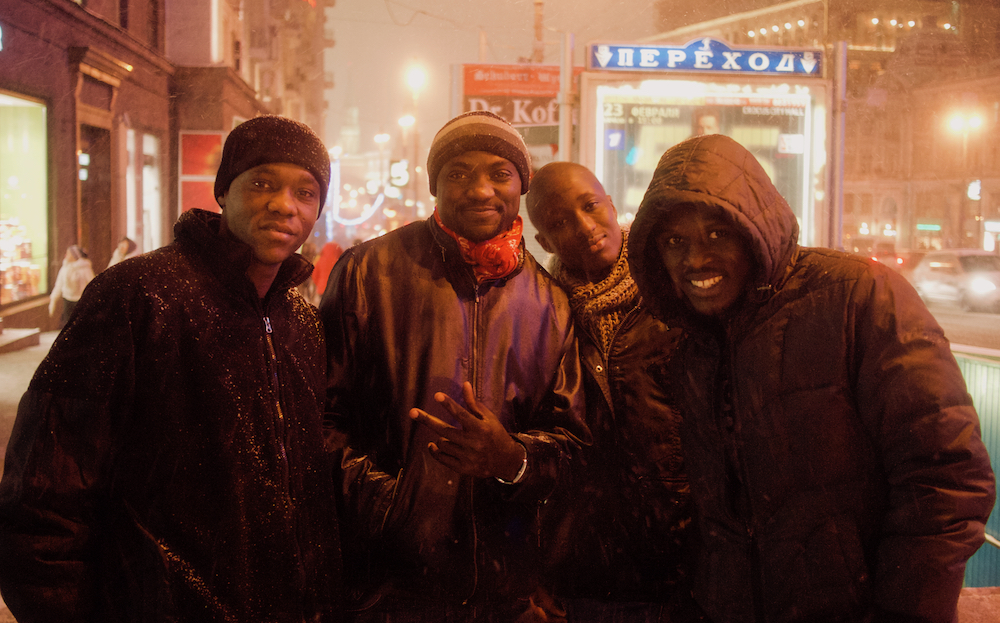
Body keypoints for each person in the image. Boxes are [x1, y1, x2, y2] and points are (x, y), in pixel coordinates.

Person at [627, 134, 996, 623]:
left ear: (755, 228)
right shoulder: (687, 340)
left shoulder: (858, 296)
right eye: (676, 241)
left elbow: (944, 471)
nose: (696, 259)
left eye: (718, 233)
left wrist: (906, 610)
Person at [0, 115, 344, 623]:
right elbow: (45, 498)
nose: (284, 205)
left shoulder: (304, 326)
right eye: (263, 182)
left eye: (306, 192)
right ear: (224, 191)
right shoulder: (136, 298)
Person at [320, 110, 588, 622]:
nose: (480, 189)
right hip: (386, 590)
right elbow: (320, 420)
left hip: (506, 596)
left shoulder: (551, 302)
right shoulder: (366, 272)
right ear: (435, 185)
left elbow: (574, 445)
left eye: (499, 173)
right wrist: (395, 507)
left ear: (521, 186)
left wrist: (512, 459)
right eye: (459, 173)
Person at [525, 162, 695, 623]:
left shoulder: (675, 292)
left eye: (590, 206)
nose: (584, 227)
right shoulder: (543, 317)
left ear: (613, 205)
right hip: (587, 574)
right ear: (544, 242)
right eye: (560, 222)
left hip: (689, 563)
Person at [47, 244, 95, 326]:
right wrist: (53, 300)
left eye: (68, 253)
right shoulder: (65, 268)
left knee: (80, 325)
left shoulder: (84, 268)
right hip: (67, 300)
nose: (66, 255)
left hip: (80, 301)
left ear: (74, 255)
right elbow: (59, 285)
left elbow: (93, 285)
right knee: (68, 325)